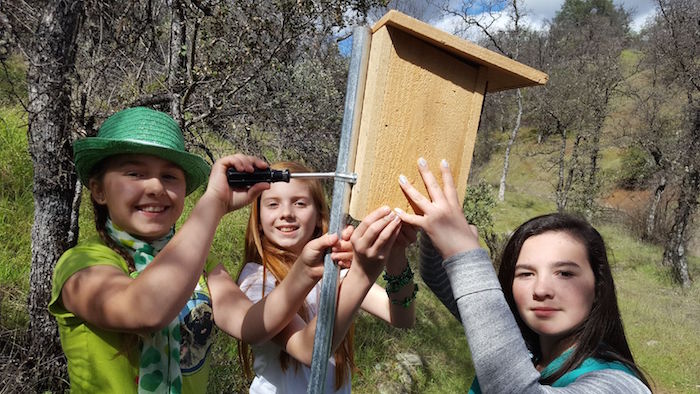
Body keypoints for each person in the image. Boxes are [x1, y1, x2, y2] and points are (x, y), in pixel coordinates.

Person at [49, 107, 341, 393]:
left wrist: (304, 271)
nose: (155, 187)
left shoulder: (202, 263)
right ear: (98, 190)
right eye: (134, 173)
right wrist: (215, 203)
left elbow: (251, 325)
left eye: (169, 176)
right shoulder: (80, 264)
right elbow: (145, 309)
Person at [396, 157, 651, 393]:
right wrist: (435, 227)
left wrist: (465, 254)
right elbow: (438, 276)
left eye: (564, 273)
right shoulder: (526, 343)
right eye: (526, 274)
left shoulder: (619, 384)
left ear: (598, 286)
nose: (541, 290)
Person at [236, 161, 417, 393]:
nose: (286, 214)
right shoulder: (257, 279)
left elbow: (402, 316)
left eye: (300, 203)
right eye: (272, 204)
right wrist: (361, 271)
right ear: (258, 220)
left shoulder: (333, 269)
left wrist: (395, 253)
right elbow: (310, 349)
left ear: (320, 212)